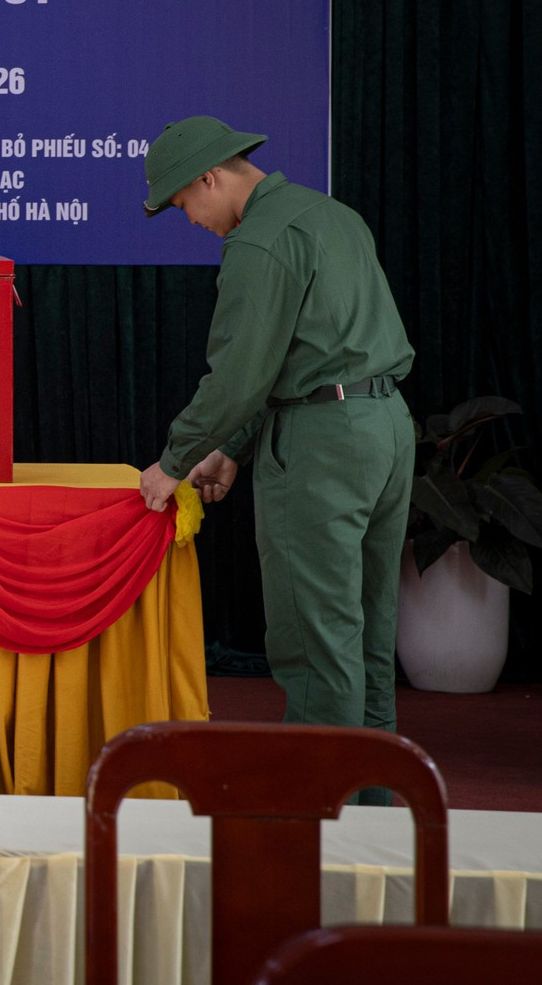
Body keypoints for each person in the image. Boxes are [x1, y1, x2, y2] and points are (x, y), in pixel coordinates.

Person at [136, 116, 414, 781]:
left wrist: (173, 461)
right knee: (368, 638)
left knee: (317, 647)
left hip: (322, 448)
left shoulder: (259, 240)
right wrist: (232, 447)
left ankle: (317, 820)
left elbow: (239, 376)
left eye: (184, 203)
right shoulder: (335, 216)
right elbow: (304, 349)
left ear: (210, 178)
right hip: (388, 430)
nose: (191, 220)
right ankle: (369, 820)